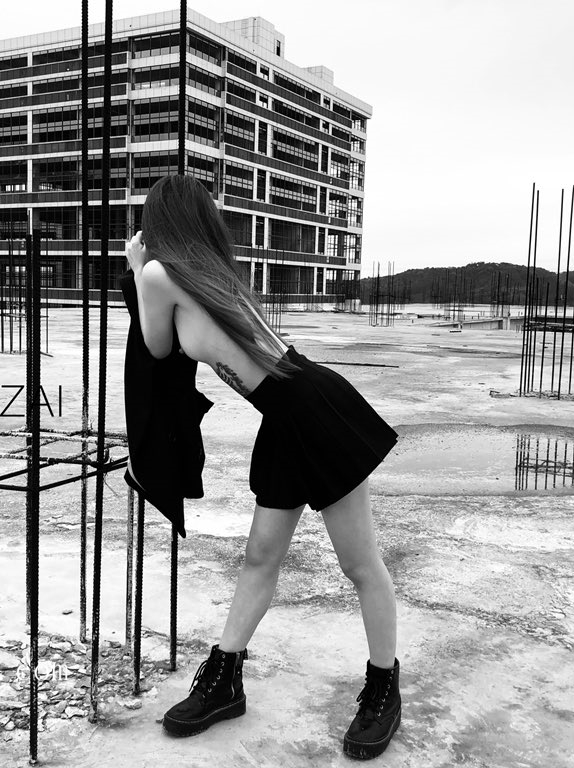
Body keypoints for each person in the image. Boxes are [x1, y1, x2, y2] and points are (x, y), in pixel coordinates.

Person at [124, 174, 401, 760]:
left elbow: (156, 347)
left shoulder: (159, 275)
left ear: (160, 221)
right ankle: (225, 680)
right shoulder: (209, 274)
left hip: (313, 412)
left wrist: (136, 264)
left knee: (359, 563)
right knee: (259, 557)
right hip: (286, 416)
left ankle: (383, 688)